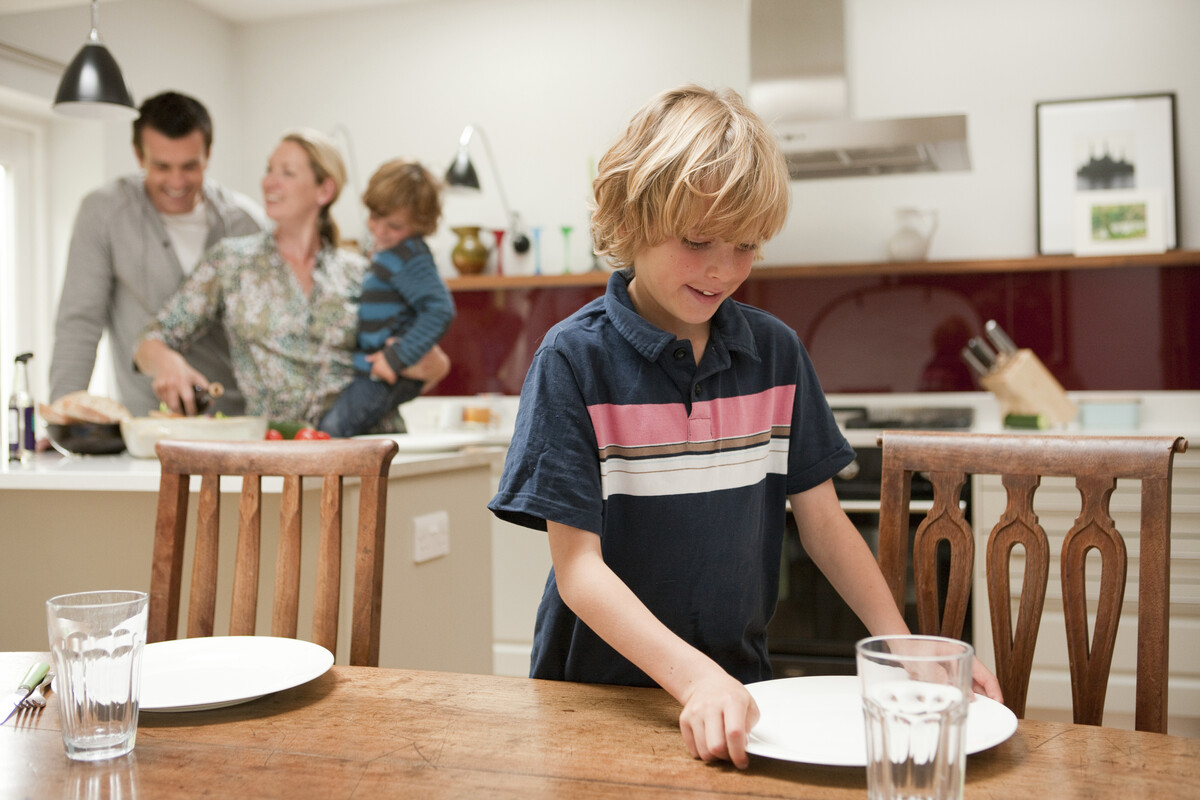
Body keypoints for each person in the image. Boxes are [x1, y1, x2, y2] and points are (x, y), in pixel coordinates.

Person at [487, 85, 1002, 770]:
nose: (723, 269)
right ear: (628, 215)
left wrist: (898, 642)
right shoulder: (573, 361)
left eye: (747, 246)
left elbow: (822, 525)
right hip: (598, 701)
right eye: (697, 240)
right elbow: (579, 570)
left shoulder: (776, 353)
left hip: (740, 692)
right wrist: (693, 678)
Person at [50, 91, 266, 417]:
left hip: (235, 422)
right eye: (162, 166)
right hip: (147, 423)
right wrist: (62, 416)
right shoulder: (105, 213)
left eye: (190, 166)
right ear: (139, 156)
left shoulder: (245, 222)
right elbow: (79, 323)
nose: (177, 181)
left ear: (208, 155)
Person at [318, 158, 455, 437]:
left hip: (390, 373)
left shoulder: (409, 255)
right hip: (379, 371)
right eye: (375, 217)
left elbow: (440, 309)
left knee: (330, 433)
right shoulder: (392, 253)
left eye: (394, 226)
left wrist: (396, 357)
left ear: (421, 225)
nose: (380, 230)